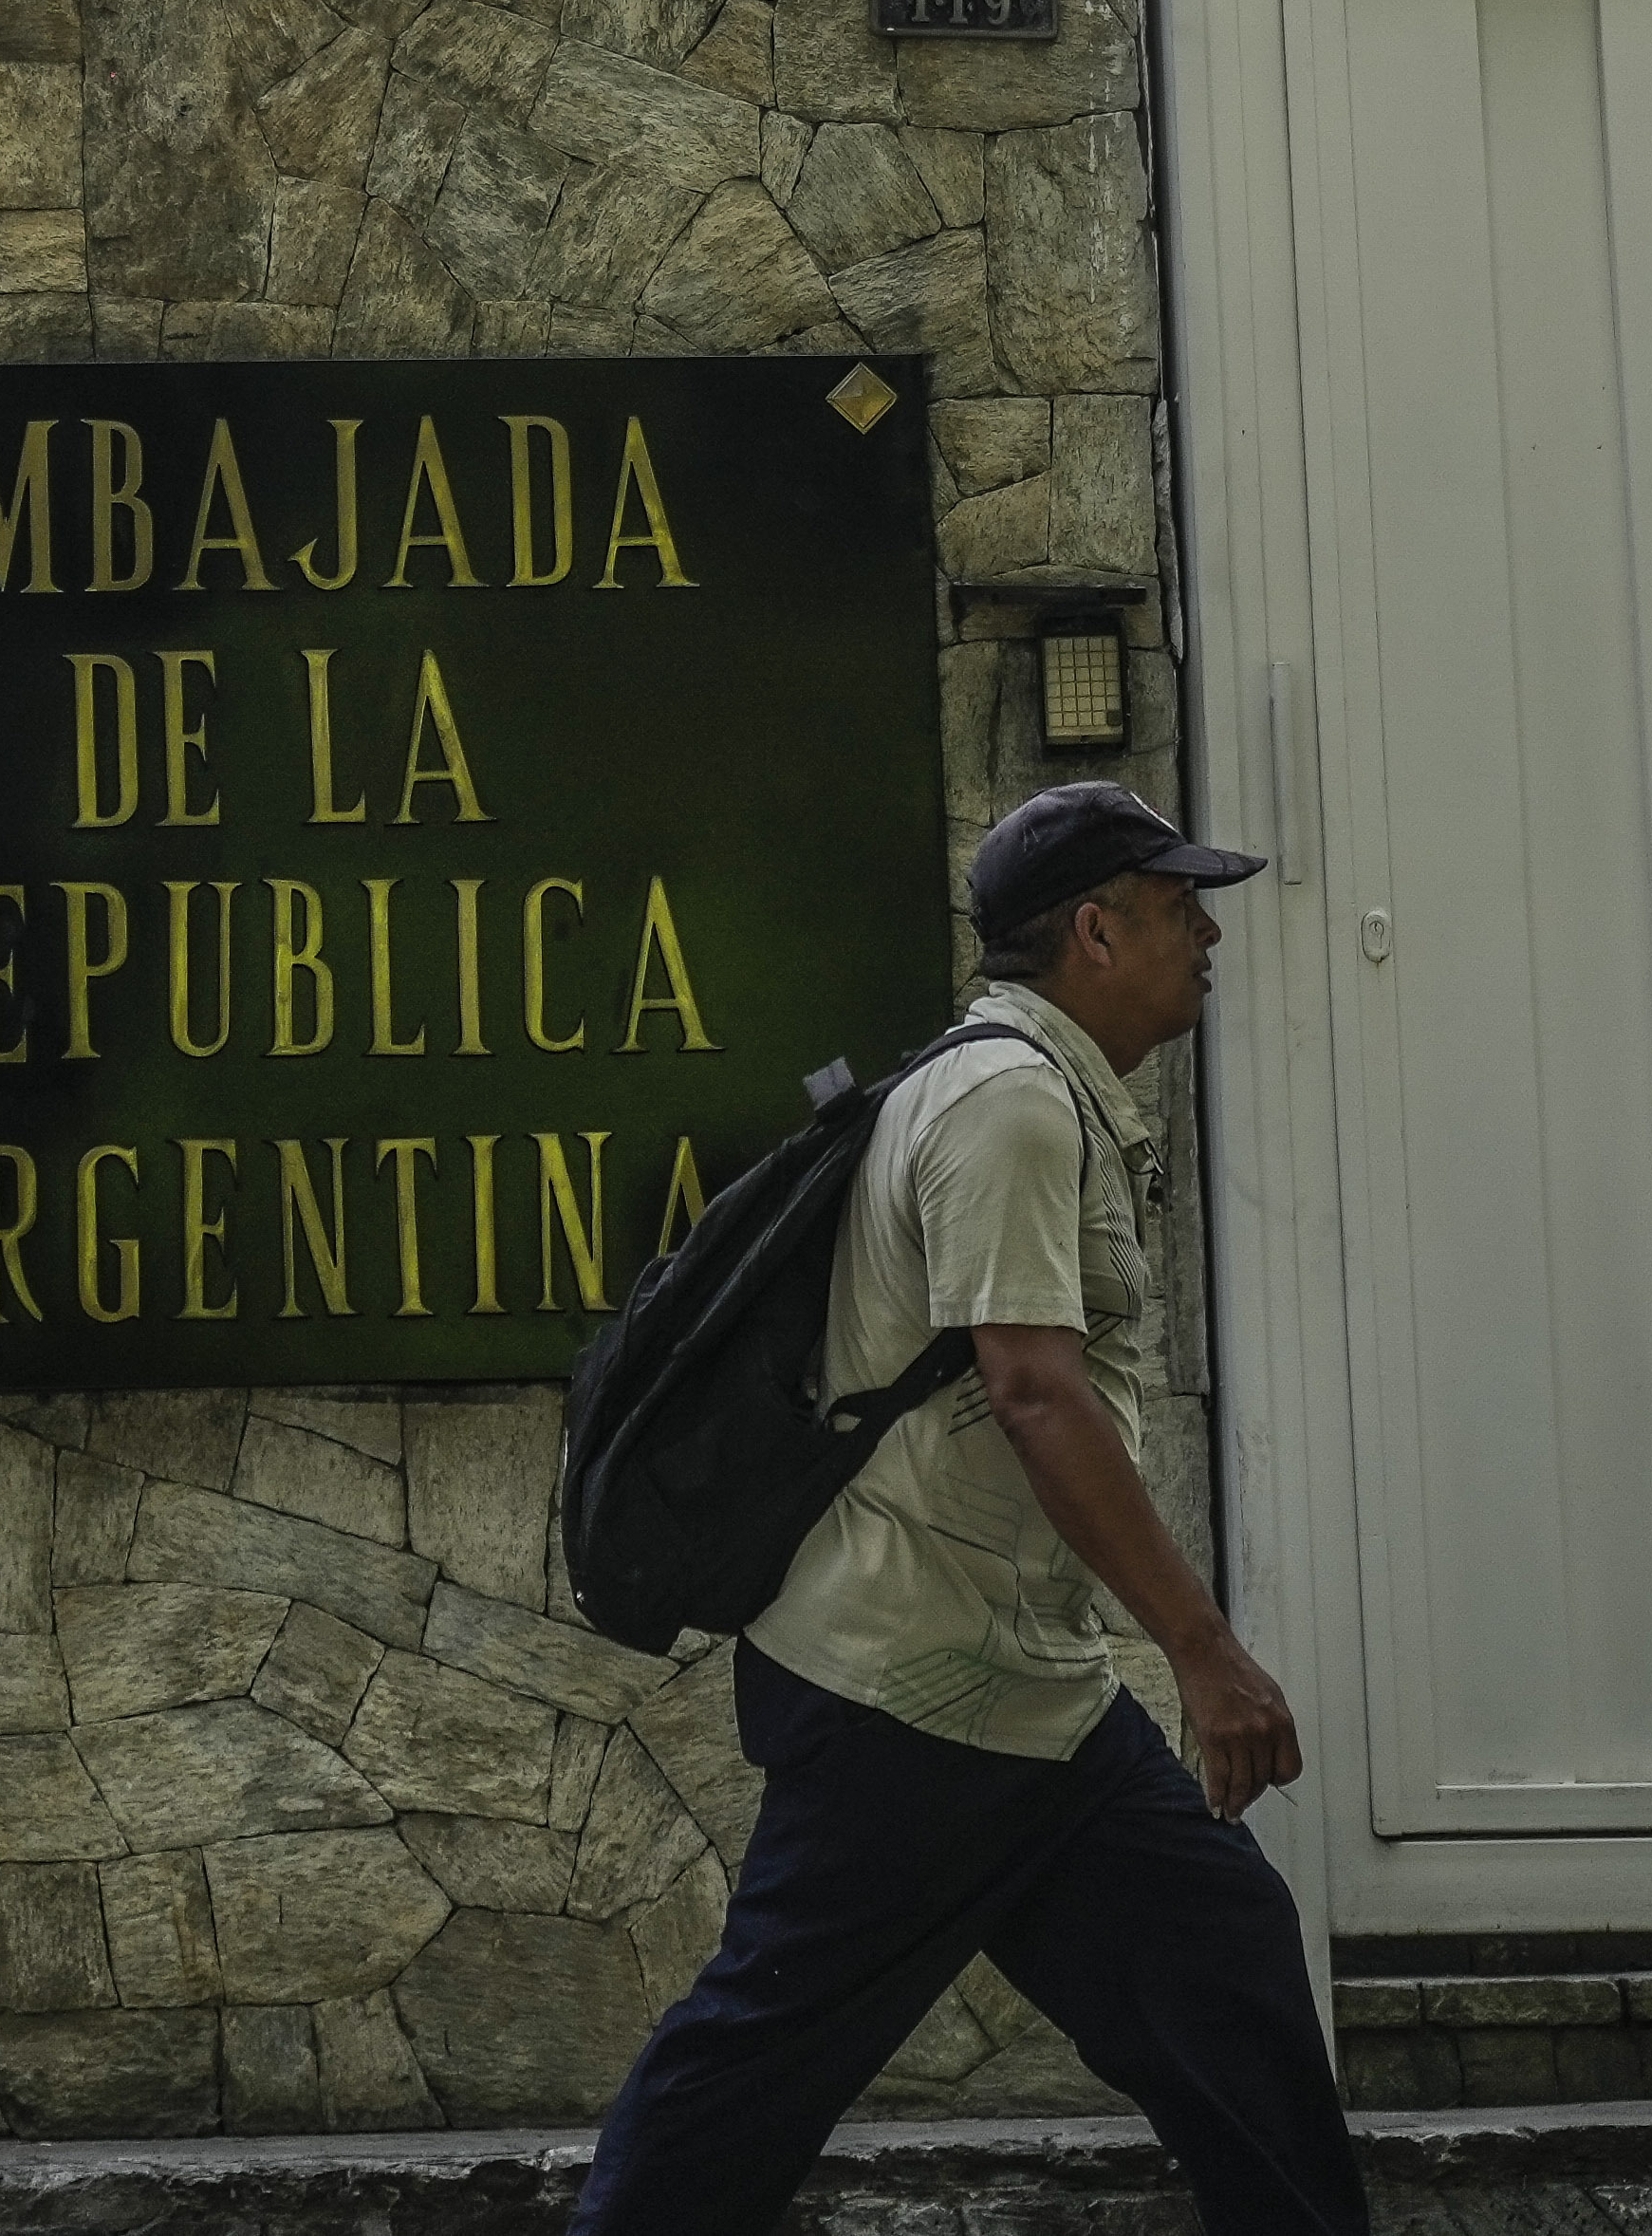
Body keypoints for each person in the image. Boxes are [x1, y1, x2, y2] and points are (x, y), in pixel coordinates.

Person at [572, 779, 1365, 2236]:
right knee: (755, 2063)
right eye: (1179, 901)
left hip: (1027, 1700)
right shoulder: (1003, 1100)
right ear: (1093, 928)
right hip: (908, 1698)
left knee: (1226, 1951)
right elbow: (1035, 1392)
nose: (1207, 929)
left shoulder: (1035, 1087)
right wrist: (1202, 1648)